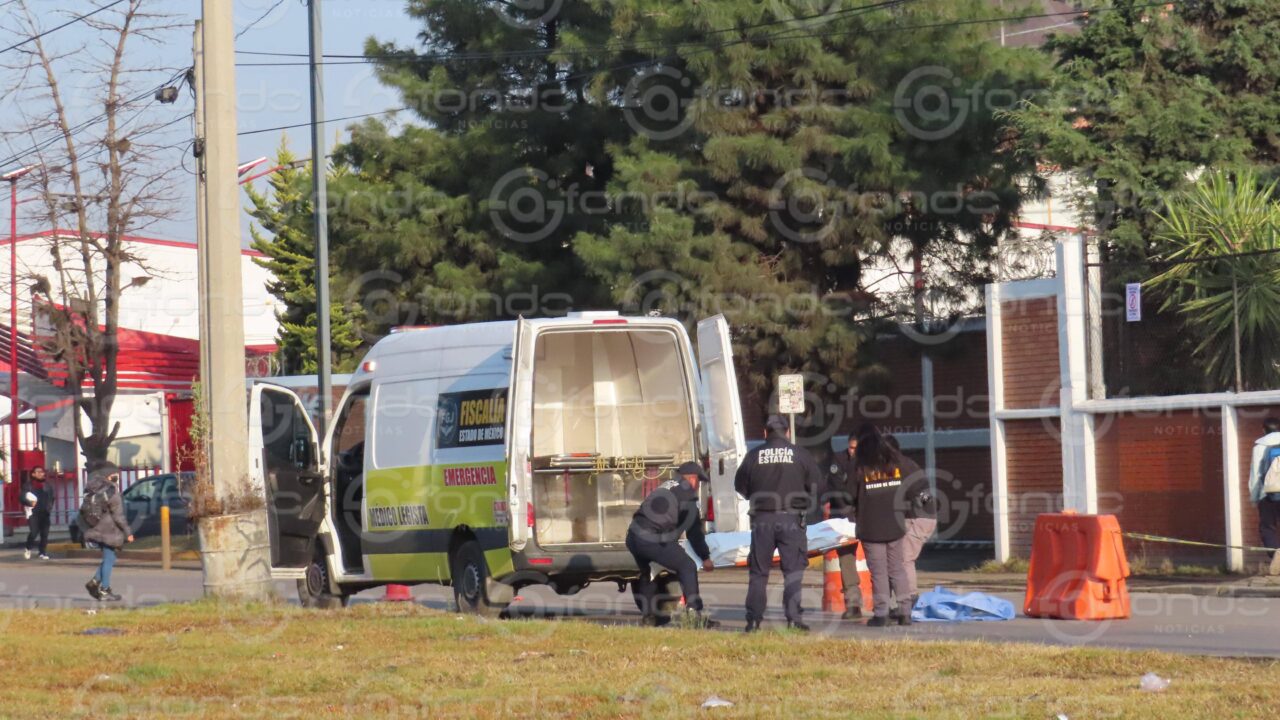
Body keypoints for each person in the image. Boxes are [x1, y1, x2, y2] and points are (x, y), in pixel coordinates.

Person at [735, 414, 821, 632]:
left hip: (762, 519)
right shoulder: (800, 454)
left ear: (765, 433)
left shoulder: (753, 455)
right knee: (792, 571)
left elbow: (740, 486)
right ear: (788, 432)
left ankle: (753, 621)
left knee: (759, 572)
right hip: (791, 519)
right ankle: (793, 619)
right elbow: (816, 485)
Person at [849, 424, 927, 627]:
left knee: (879, 573)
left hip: (871, 526)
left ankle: (881, 614)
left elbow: (849, 494)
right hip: (895, 524)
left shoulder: (860, 466)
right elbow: (915, 488)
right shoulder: (895, 464)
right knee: (897, 569)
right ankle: (905, 613)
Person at [626, 461, 717, 627]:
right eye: (699, 481)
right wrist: (705, 557)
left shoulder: (666, 486)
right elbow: (694, 532)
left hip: (633, 536)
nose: (698, 486)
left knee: (649, 571)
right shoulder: (687, 493)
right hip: (652, 538)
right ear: (692, 479)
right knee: (687, 566)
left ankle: (649, 617)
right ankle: (694, 615)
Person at [887, 433, 936, 615]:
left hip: (919, 518)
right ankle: (905, 600)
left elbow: (905, 494)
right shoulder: (905, 464)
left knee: (904, 558)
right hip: (917, 516)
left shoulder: (899, 467)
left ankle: (910, 599)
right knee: (899, 558)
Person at [81, 464, 134, 602]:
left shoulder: (93, 488)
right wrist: (128, 532)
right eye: (116, 474)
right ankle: (104, 589)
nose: (118, 477)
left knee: (109, 558)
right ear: (110, 475)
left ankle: (94, 582)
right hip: (108, 531)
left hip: (95, 528)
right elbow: (118, 516)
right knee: (109, 559)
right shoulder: (111, 491)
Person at [824, 434, 863, 619]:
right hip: (844, 517)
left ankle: (886, 603)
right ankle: (853, 604)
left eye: (856, 448)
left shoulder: (870, 461)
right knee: (847, 560)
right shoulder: (839, 460)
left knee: (879, 560)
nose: (852, 451)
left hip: (866, 515)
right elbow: (837, 489)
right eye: (851, 447)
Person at [1249, 417, 1280, 553]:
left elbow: (1255, 474)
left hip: (1267, 494)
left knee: (1267, 528)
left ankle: (1276, 556)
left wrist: (1254, 498)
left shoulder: (1259, 448)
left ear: (1263, 430)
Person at [22, 466, 53, 560]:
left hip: (45, 512)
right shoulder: (28, 485)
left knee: (44, 534)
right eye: (38, 472)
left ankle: (42, 552)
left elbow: (51, 498)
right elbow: (22, 497)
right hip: (33, 513)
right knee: (34, 532)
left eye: (42, 472)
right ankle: (28, 547)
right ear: (33, 474)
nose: (40, 473)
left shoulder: (47, 485)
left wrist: (49, 507)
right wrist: (29, 503)